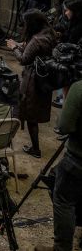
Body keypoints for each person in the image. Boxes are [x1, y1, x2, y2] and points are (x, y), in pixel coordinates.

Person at [6, 9, 56, 158]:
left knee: (28, 114)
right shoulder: (48, 34)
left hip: (32, 81)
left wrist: (14, 47)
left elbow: (24, 59)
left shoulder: (36, 40)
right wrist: (21, 44)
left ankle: (34, 148)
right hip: (44, 80)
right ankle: (34, 147)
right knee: (34, 114)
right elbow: (35, 52)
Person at [52, 77, 82, 251]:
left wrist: (66, 96)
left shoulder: (78, 89)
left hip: (77, 161)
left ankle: (62, 247)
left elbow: (64, 126)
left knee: (64, 201)